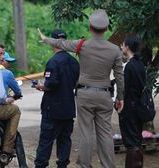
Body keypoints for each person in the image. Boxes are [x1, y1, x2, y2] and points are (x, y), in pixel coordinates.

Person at [38, 9, 124, 168]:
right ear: (106, 28)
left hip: (85, 94)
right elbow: (119, 76)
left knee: (86, 133)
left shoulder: (82, 45)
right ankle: (108, 165)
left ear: (91, 27)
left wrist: (45, 38)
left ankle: (84, 165)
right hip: (105, 95)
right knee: (105, 134)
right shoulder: (115, 50)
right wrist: (121, 98)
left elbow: (60, 43)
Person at [34, 29, 80, 168]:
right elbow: (76, 83)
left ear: (53, 43)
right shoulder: (74, 62)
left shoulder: (53, 62)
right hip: (68, 108)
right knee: (65, 139)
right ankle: (62, 165)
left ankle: (41, 165)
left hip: (52, 109)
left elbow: (51, 84)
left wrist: (41, 86)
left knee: (46, 141)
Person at [119, 36, 145, 168]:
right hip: (139, 106)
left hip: (130, 107)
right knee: (136, 140)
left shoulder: (129, 66)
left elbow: (125, 88)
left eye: (123, 44)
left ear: (128, 47)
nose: (121, 46)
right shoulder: (140, 64)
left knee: (131, 142)